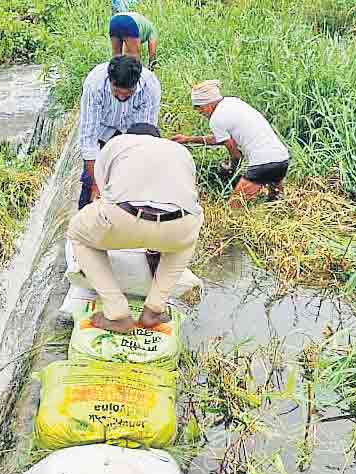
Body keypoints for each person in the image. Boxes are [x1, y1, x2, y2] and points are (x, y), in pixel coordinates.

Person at [66, 123, 204, 334]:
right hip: (178, 224)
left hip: (124, 216)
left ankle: (117, 313)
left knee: (77, 233)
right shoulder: (180, 151)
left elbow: (104, 190)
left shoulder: (118, 143)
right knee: (186, 243)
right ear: (159, 138)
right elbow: (188, 193)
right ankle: (154, 309)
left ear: (129, 135)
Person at [171, 80, 290, 208]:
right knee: (277, 203)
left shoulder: (216, 119)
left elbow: (236, 155)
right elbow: (220, 138)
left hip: (263, 163)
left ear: (207, 106)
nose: (202, 114)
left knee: (234, 207)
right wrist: (188, 139)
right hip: (281, 158)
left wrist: (231, 170)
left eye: (200, 111)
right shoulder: (233, 102)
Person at [76, 55, 161, 210]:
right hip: (102, 131)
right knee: (90, 187)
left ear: (136, 84)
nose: (121, 96)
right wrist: (96, 185)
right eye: (116, 91)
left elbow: (145, 137)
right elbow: (88, 140)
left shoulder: (149, 86)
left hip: (131, 134)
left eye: (128, 93)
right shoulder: (95, 84)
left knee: (131, 184)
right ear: (110, 81)